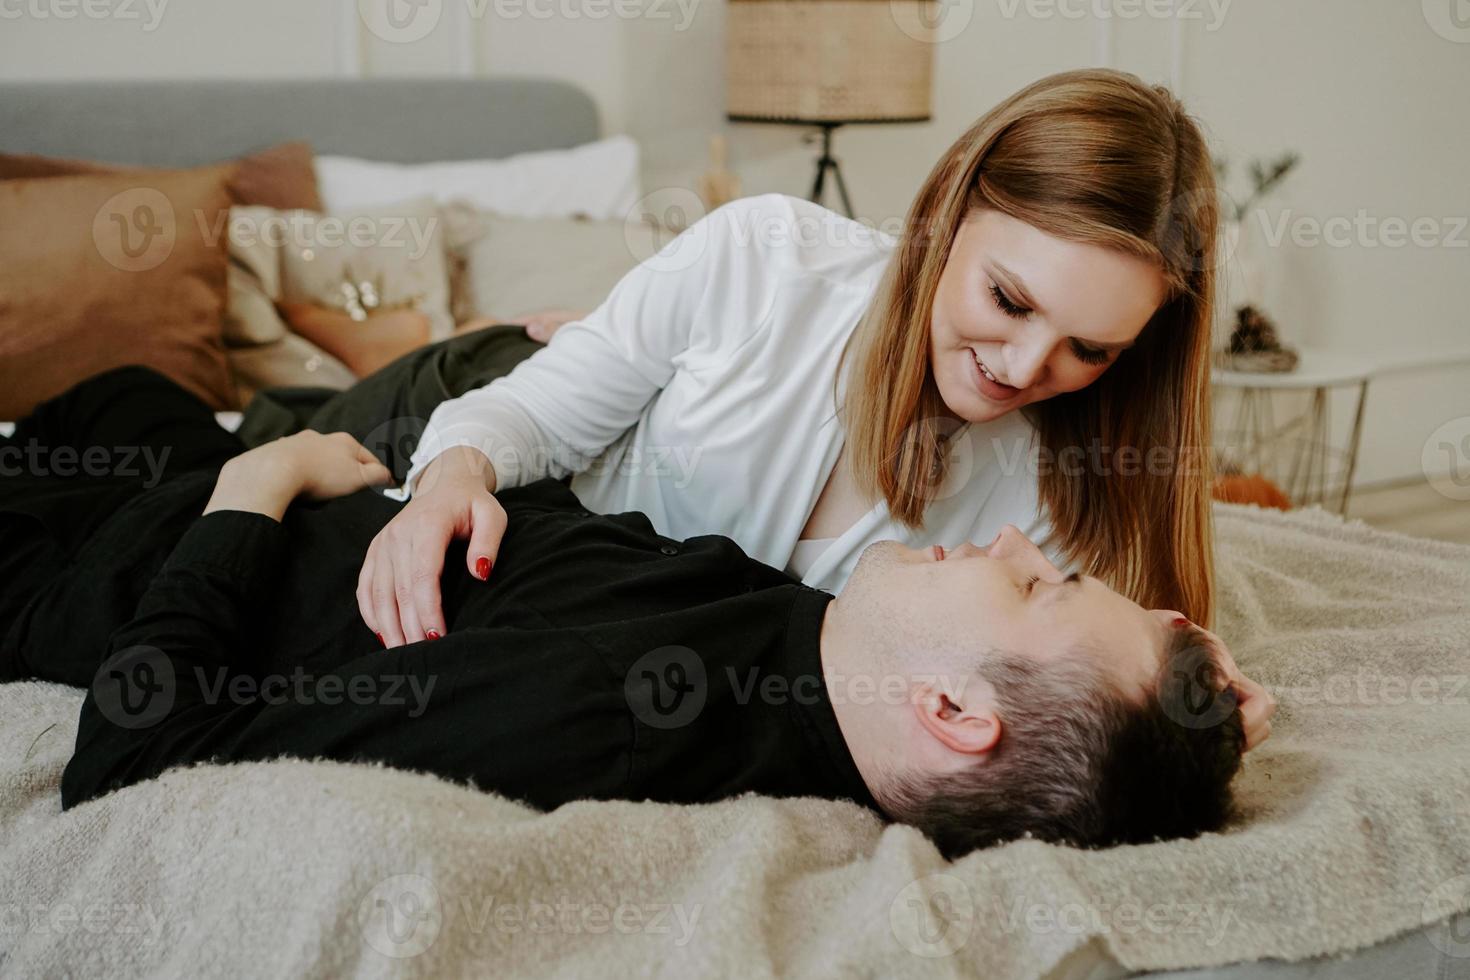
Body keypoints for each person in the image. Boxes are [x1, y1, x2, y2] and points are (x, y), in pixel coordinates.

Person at [0, 369, 1267, 858]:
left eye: (1036, 582)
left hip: (115, 559)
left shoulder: (604, 712)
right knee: (117, 384)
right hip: (261, 484)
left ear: (948, 708)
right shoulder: (833, 653)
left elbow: (132, 754)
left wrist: (255, 482)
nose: (1007, 541)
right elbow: (1098, 731)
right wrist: (1188, 714)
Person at [356, 68, 1228, 685]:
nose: (1025, 368)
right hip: (461, 390)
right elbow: (532, 418)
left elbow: (1080, 688)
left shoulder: (1064, 503)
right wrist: (451, 477)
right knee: (274, 444)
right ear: (945, 213)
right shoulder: (763, 255)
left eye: (1091, 350)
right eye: (1007, 299)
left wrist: (1184, 683)